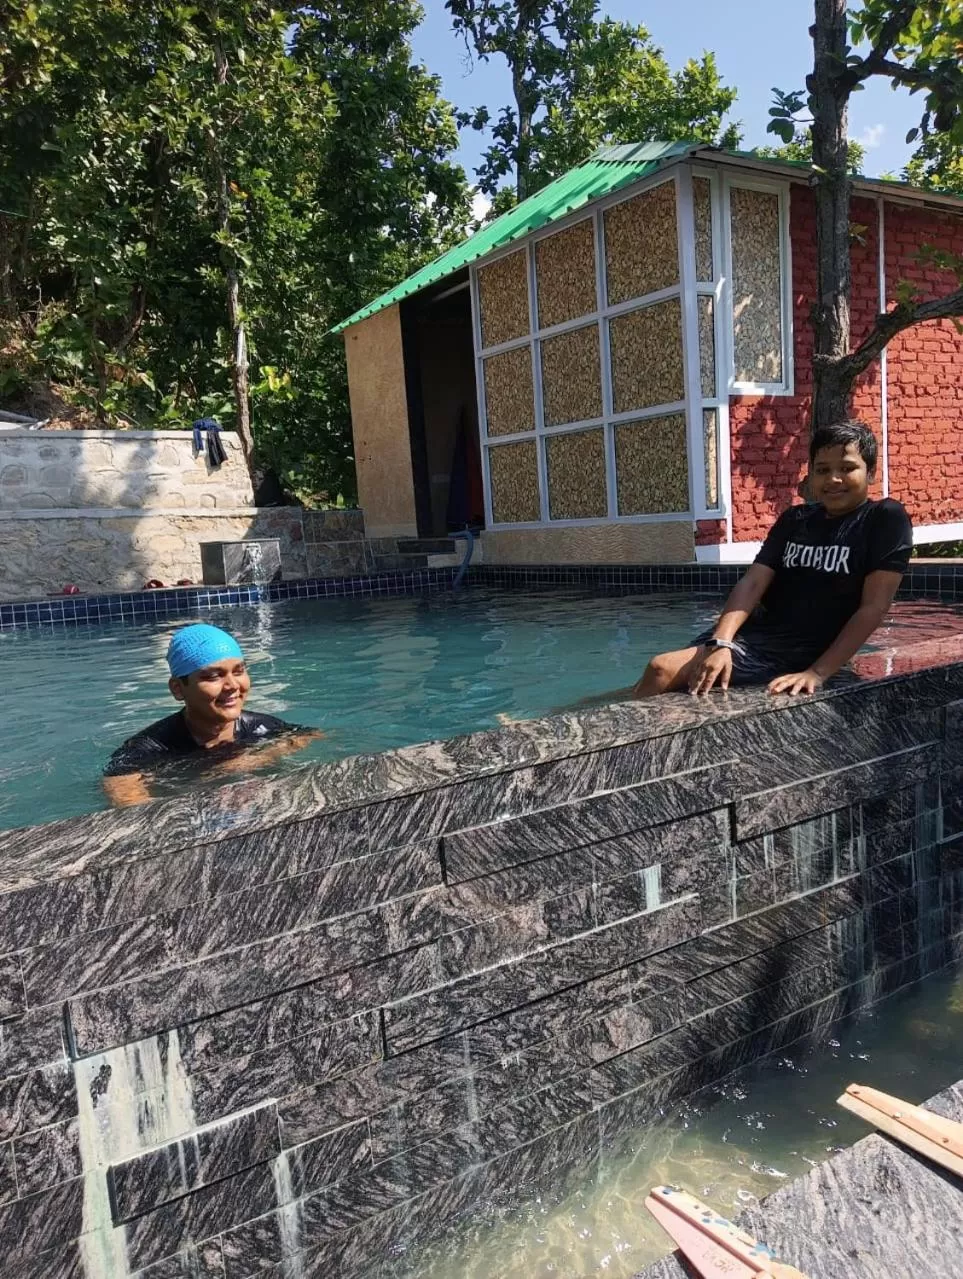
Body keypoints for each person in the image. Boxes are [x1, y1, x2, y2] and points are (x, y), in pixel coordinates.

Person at [635, 420, 913, 698]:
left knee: (661, 669)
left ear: (871, 472)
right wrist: (721, 641)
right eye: (822, 470)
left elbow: (874, 607)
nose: (833, 479)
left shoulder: (883, 518)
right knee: (664, 678)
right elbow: (753, 582)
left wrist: (817, 673)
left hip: (793, 652)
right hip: (750, 635)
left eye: (847, 468)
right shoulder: (796, 519)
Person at [103, 623, 318, 807]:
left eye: (239, 671)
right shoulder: (147, 750)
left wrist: (256, 758)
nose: (232, 685)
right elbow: (127, 800)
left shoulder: (260, 727)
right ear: (178, 689)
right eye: (214, 676)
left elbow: (309, 736)